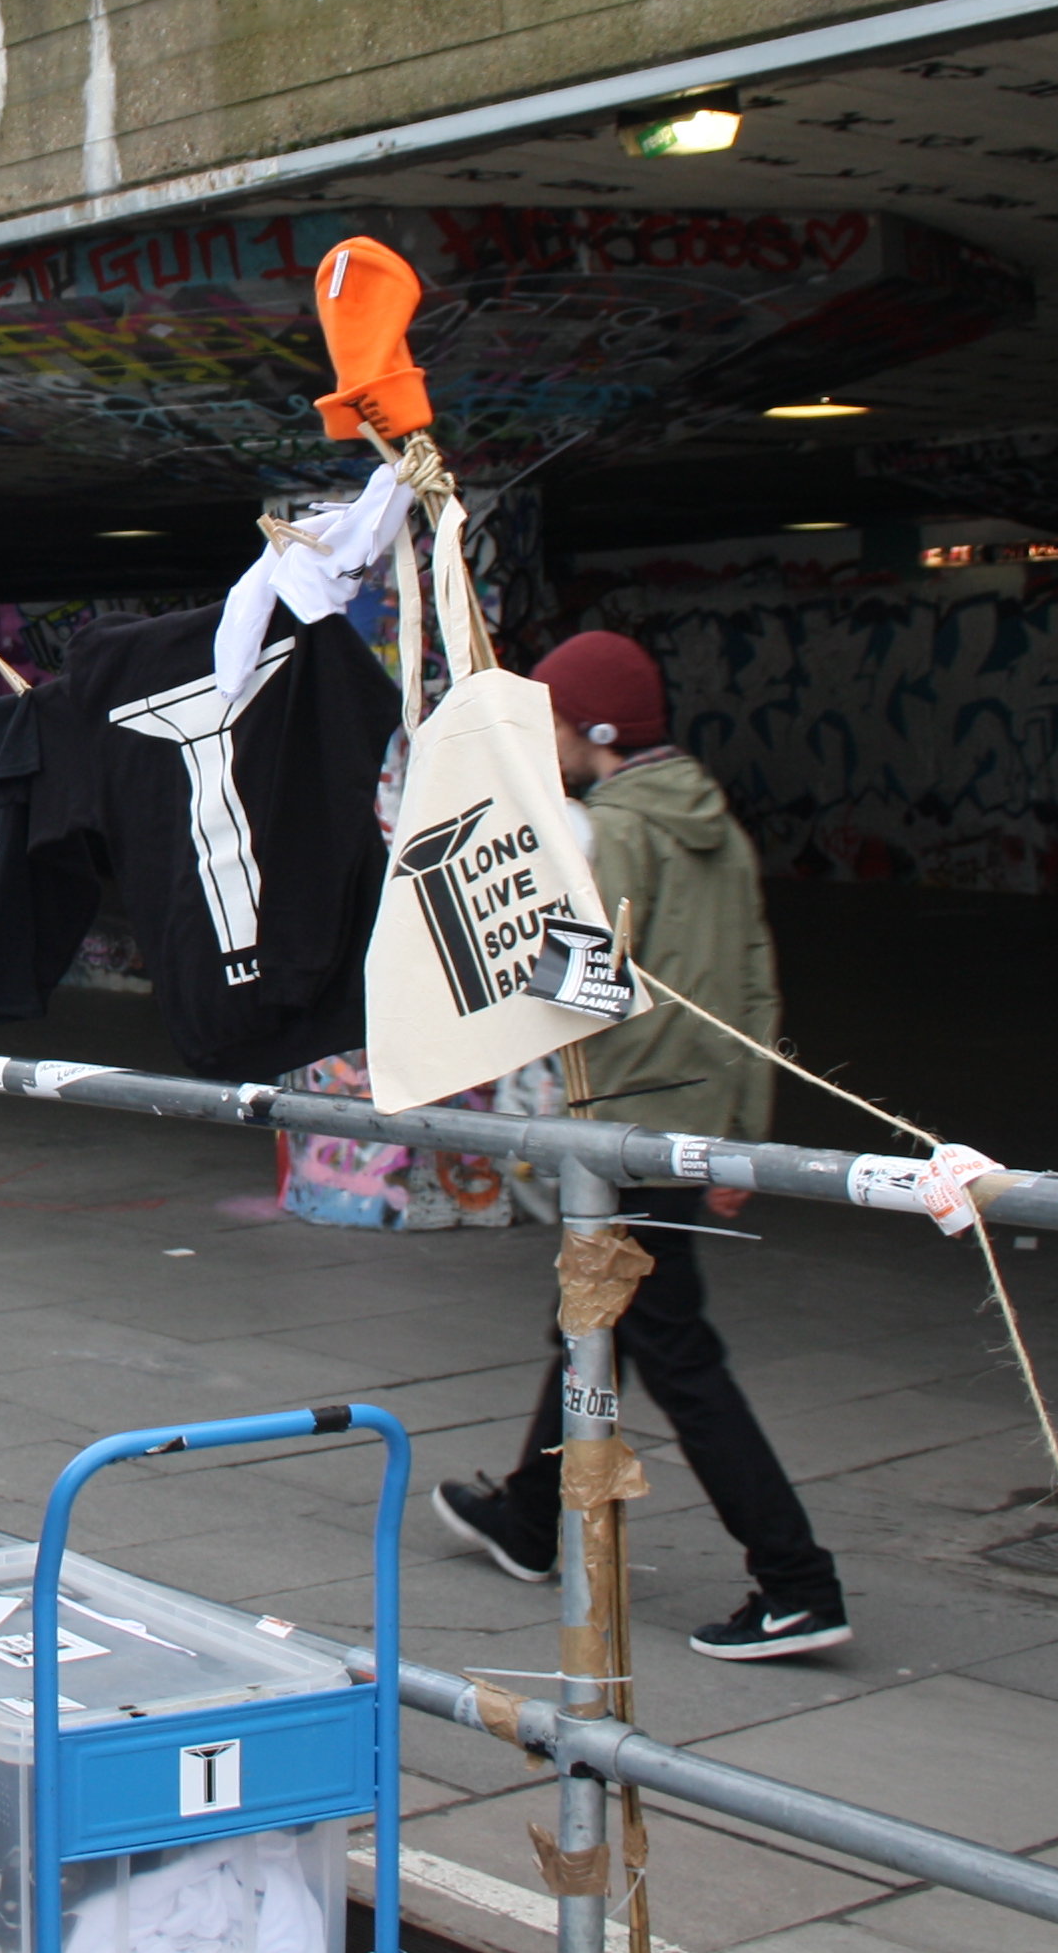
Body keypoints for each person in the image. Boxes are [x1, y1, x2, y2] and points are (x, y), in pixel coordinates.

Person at [429, 627, 853, 1662]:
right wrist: (742, 1139)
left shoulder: (614, 833)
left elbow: (581, 989)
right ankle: (532, 1516)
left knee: (671, 1348)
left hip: (627, 1124)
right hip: (692, 1121)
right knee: (595, 1318)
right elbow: (755, 986)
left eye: (558, 722)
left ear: (596, 730)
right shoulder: (713, 824)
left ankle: (797, 1581)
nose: (552, 741)